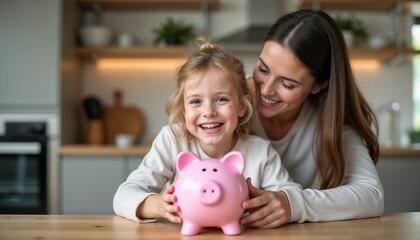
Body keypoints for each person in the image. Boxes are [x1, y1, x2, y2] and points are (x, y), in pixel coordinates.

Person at [113, 39, 299, 224]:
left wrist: (272, 204)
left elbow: (291, 197)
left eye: (221, 99)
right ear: (184, 110)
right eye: (195, 101)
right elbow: (123, 196)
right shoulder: (172, 140)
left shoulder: (260, 152)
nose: (208, 111)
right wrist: (159, 205)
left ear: (242, 105)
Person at [239, 9, 384, 228]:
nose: (266, 90)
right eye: (263, 69)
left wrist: (294, 204)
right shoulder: (228, 101)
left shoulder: (328, 119)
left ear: (318, 85)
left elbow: (372, 195)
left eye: (287, 84)